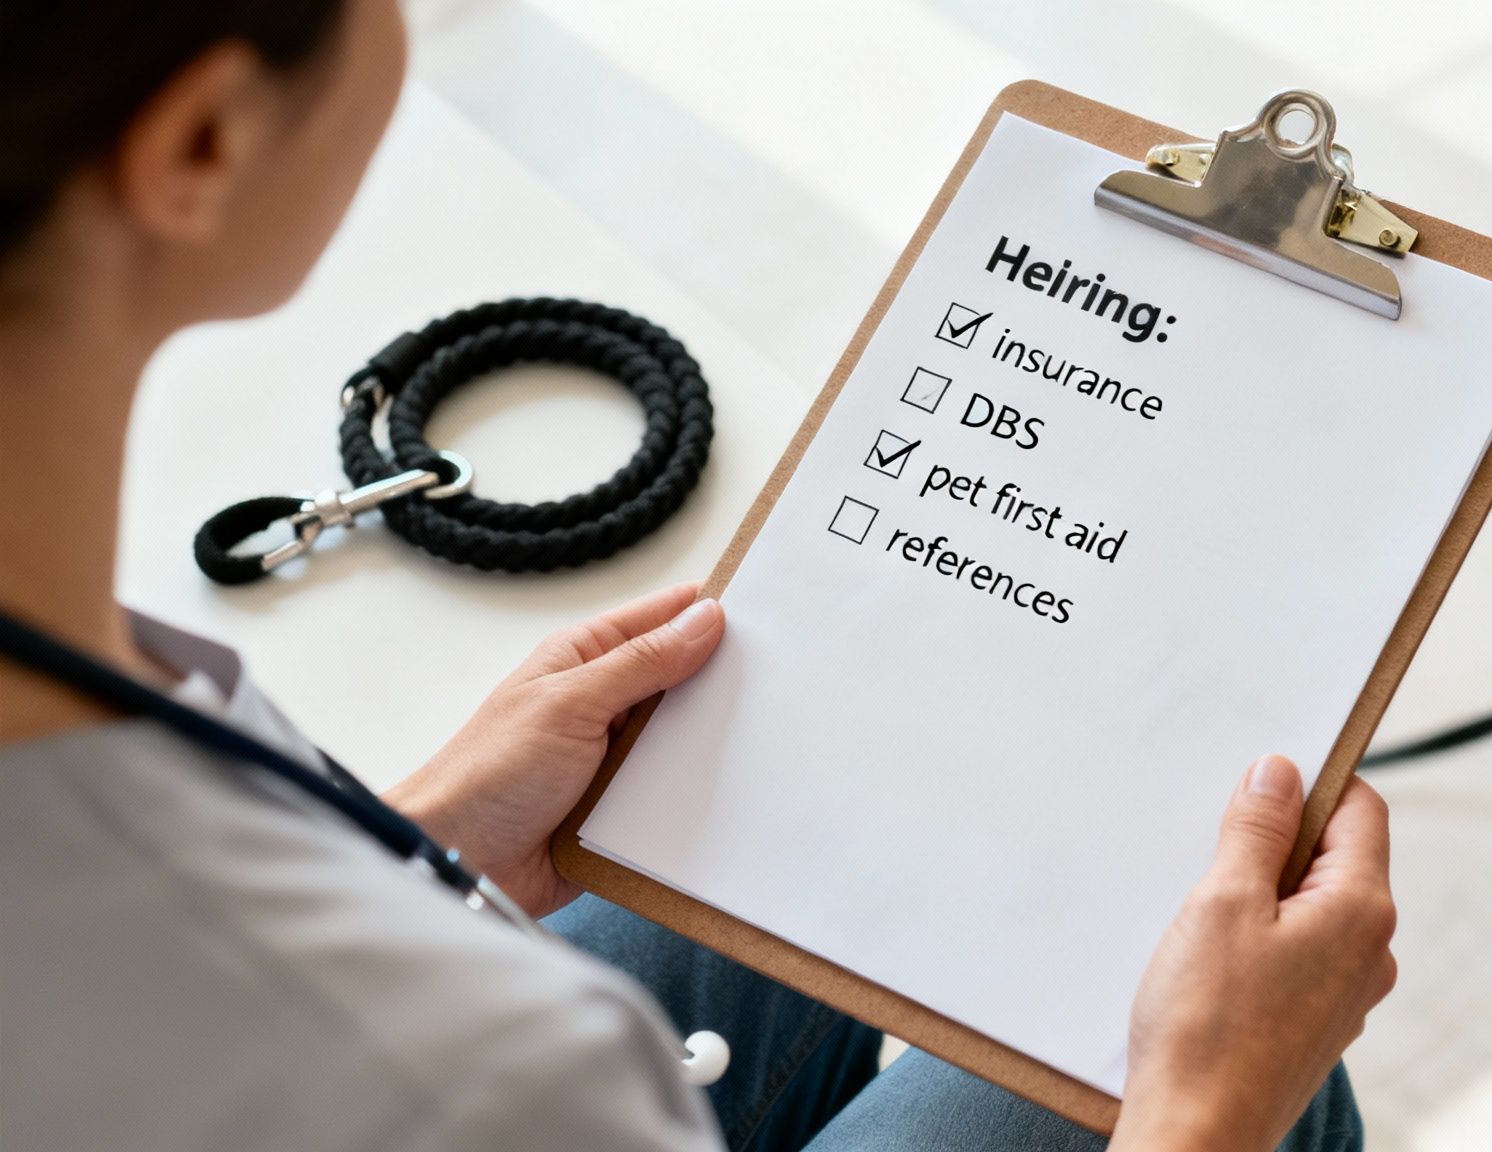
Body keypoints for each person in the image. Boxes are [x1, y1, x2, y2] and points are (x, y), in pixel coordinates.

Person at [0, 2, 1400, 1149]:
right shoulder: (500, 1085)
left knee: (772, 833)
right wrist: (1207, 1116)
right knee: (1194, 1033)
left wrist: (416, 849)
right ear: (202, 142)